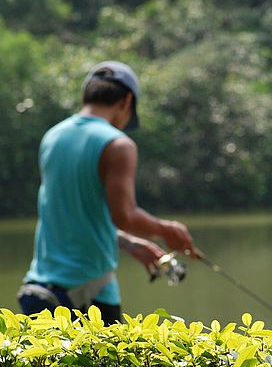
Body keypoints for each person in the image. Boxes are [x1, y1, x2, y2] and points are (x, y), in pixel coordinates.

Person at [18, 61, 199, 324]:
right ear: (126, 101)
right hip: (88, 298)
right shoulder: (117, 144)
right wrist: (167, 230)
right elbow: (124, 216)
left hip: (40, 293)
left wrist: (130, 243)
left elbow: (74, 216)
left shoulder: (52, 137)